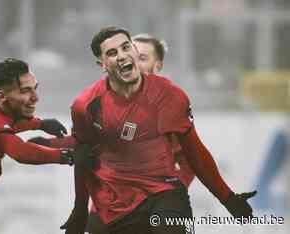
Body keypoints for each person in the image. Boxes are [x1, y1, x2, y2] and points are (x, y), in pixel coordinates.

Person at [60, 26, 257, 234]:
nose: (121, 56)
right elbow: (82, 159)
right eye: (112, 53)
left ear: (134, 51)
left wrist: (227, 198)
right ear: (102, 64)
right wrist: (80, 210)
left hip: (164, 194)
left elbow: (195, 153)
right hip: (112, 205)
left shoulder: (170, 96)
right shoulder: (85, 106)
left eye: (126, 47)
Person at [0, 58, 93, 234]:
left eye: (35, 88)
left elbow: (9, 125)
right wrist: (68, 156)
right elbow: (22, 153)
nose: (35, 97)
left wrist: (40, 124)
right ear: (2, 95)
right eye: (25, 91)